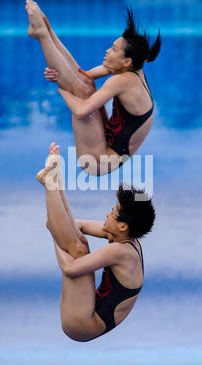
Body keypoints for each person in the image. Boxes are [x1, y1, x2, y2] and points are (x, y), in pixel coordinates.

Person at [26, 0, 161, 175]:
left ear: (126, 61)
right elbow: (80, 76)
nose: (107, 51)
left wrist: (61, 89)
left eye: (113, 49)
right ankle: (45, 32)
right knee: (85, 85)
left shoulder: (123, 81)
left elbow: (81, 111)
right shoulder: (132, 68)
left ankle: (42, 35)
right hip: (109, 143)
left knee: (81, 91)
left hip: (99, 162)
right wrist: (59, 74)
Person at [36, 142, 155, 342]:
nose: (108, 214)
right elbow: (78, 225)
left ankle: (51, 184)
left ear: (123, 226)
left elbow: (70, 269)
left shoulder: (121, 252)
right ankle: (54, 179)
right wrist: (57, 220)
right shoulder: (123, 236)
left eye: (113, 213)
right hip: (86, 310)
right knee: (78, 240)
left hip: (83, 325)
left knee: (79, 251)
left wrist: (54, 234)